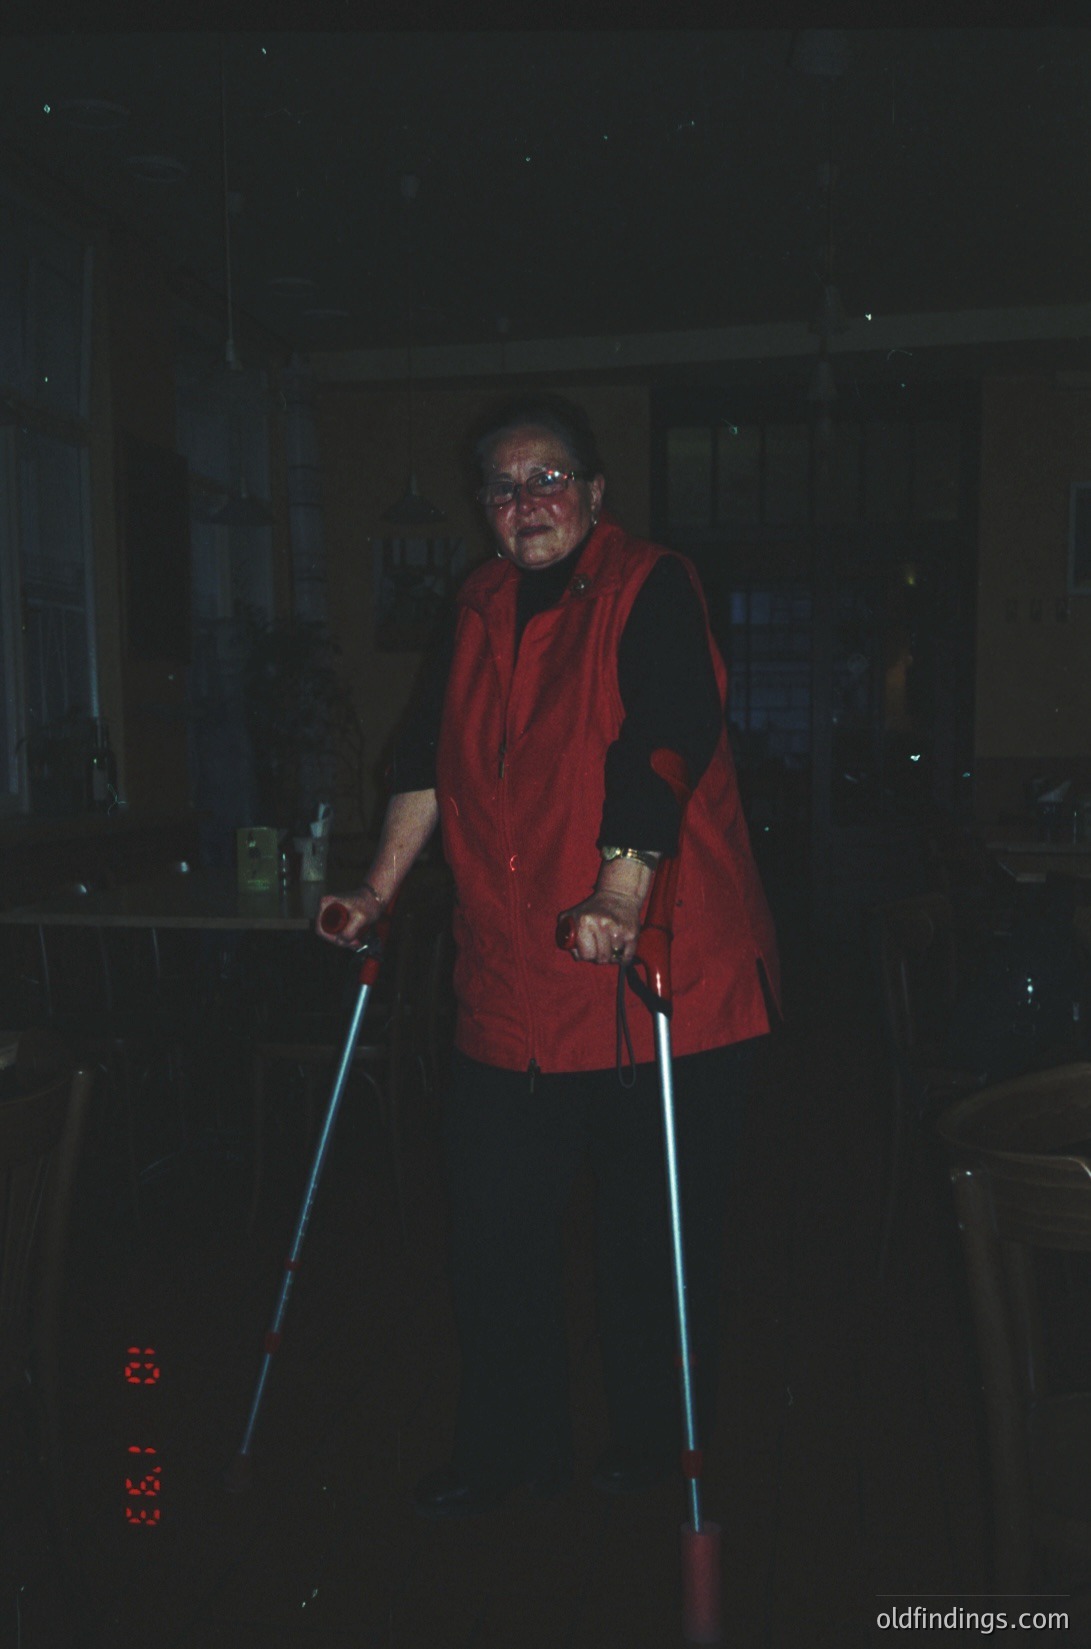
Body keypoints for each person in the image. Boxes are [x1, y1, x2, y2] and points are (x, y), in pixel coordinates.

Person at [318, 394, 779, 1518]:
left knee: (648, 1240)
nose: (526, 502)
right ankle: (507, 1452)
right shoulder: (475, 605)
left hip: (658, 975)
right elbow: (424, 758)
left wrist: (621, 884)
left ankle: (655, 1446)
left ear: (595, 492)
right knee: (492, 1230)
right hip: (511, 983)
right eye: (503, 487)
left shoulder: (648, 584)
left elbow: (663, 732)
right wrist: (376, 889)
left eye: (548, 479)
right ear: (484, 510)